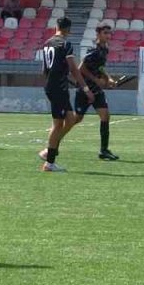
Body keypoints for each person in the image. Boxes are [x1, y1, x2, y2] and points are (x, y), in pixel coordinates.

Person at [38, 17, 94, 172]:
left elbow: (45, 68)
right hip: (58, 87)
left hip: (54, 85)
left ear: (56, 27)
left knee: (70, 119)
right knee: (58, 124)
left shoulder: (47, 43)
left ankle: (50, 150)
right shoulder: (65, 44)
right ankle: (49, 162)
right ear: (69, 29)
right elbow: (74, 69)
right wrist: (86, 89)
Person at [70, 24, 119, 160]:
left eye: (109, 33)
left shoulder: (105, 50)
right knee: (77, 118)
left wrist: (108, 78)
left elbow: (100, 67)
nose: (108, 36)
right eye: (105, 33)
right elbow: (81, 69)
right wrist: (96, 81)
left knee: (105, 116)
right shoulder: (94, 51)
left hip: (96, 91)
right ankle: (56, 134)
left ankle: (104, 150)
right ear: (98, 34)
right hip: (85, 89)